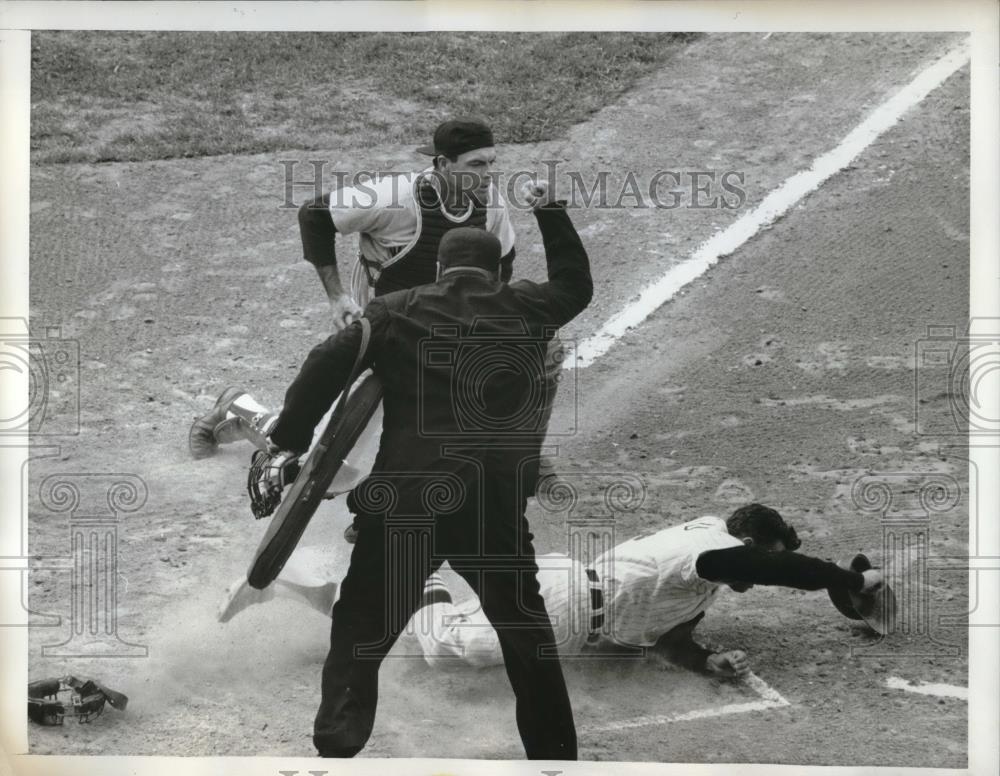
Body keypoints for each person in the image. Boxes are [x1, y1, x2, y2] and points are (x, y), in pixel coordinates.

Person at [251, 179, 591, 759]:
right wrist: (550, 210)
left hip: (407, 500)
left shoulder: (394, 311)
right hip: (493, 505)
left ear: (438, 266)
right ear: (497, 272)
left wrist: (286, 440)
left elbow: (326, 361)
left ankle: (338, 745)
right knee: (524, 632)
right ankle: (555, 759)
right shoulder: (531, 305)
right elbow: (575, 284)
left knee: (361, 629)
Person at [219, 504, 885, 678]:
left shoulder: (705, 570)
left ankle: (396, 568)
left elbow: (667, 633)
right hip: (562, 612)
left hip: (564, 587)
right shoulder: (708, 553)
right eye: (758, 560)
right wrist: (844, 581)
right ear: (746, 545)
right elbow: (779, 570)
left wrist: (705, 659)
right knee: (414, 638)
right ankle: (293, 575)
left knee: (422, 621)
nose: (755, 575)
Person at [189, 118, 528, 460]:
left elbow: (502, 261)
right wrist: (338, 298)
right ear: (443, 164)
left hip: (438, 326)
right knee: (321, 453)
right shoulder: (394, 197)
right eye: (476, 164)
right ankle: (240, 409)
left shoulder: (490, 203)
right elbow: (315, 215)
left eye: (491, 163)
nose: (488, 174)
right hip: (384, 323)